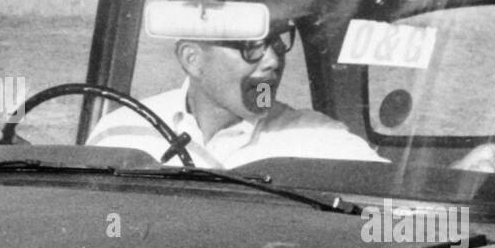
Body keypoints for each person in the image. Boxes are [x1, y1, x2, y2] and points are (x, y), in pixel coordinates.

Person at [88, 19, 384, 168]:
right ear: (193, 59)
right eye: (251, 46)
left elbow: (407, 223)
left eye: (278, 41)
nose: (274, 61)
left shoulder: (320, 141)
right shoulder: (120, 134)